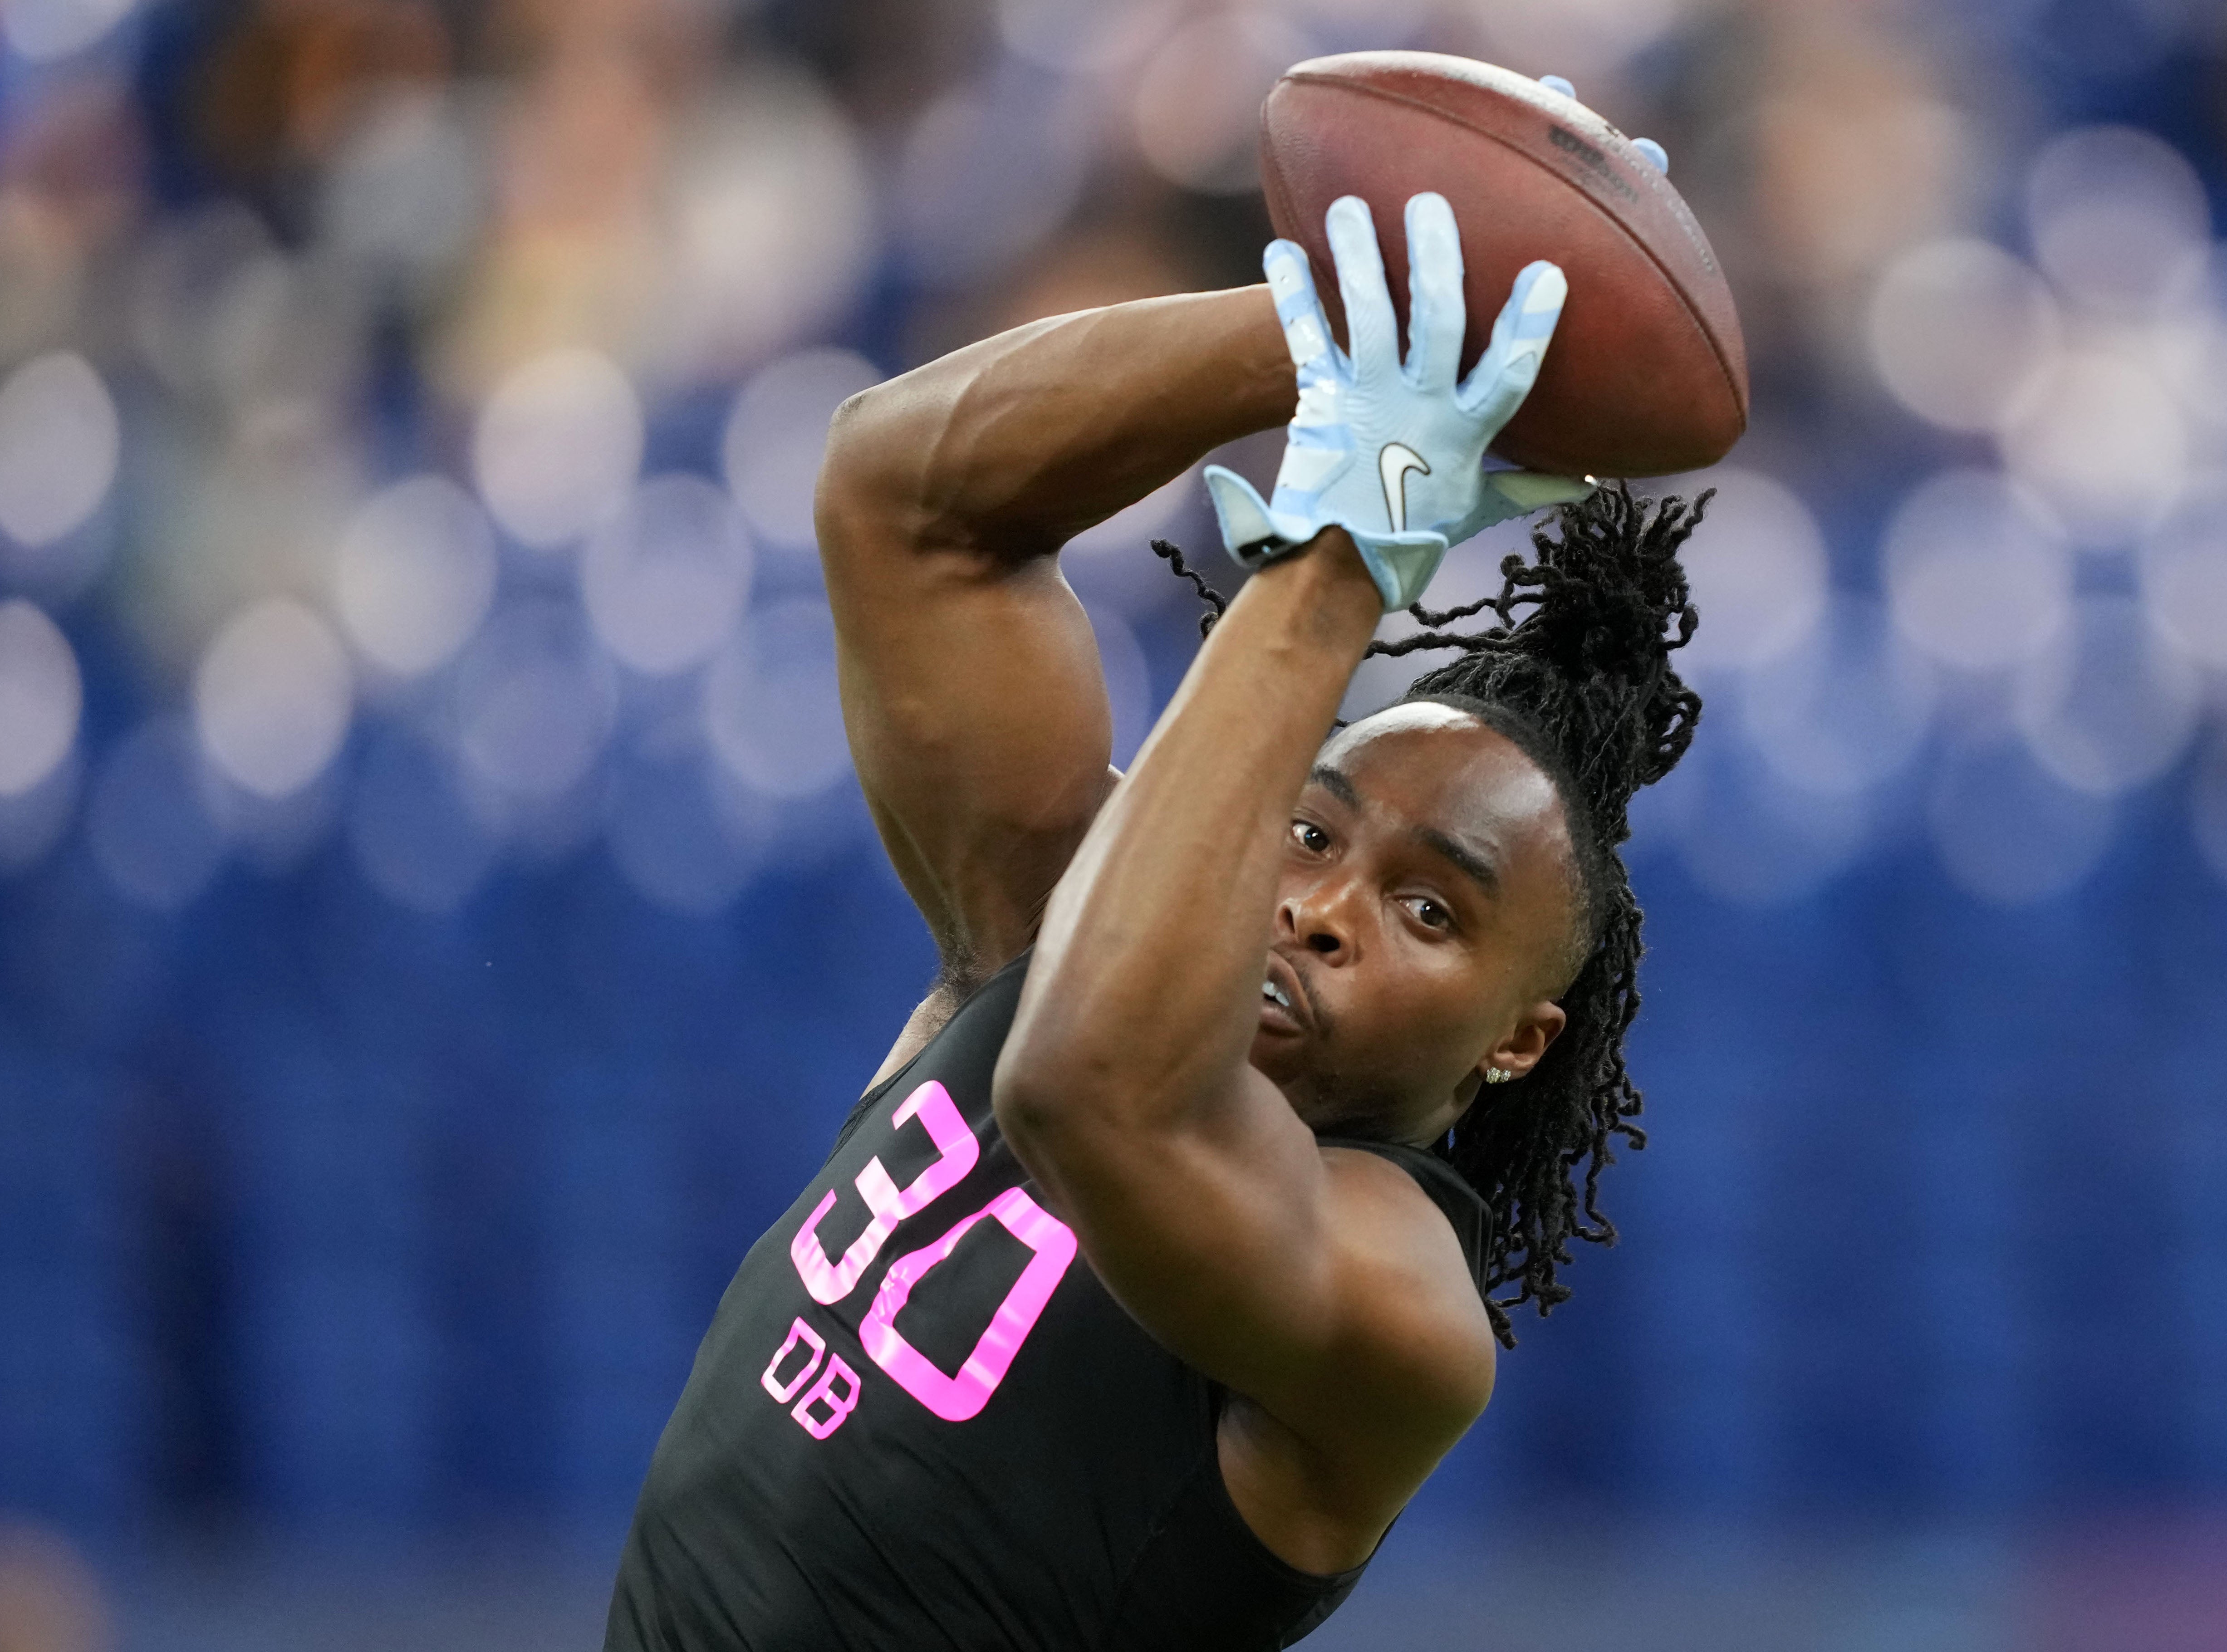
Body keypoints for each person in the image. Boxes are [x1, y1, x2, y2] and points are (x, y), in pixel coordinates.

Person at [604, 188, 1710, 1650]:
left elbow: (1088, 1087)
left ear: (1519, 1042)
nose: (1318, 909)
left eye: (1427, 907)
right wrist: (1337, 342)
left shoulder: (1402, 1305)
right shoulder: (1061, 929)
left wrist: (1340, 561)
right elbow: (900, 497)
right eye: (1310, 831)